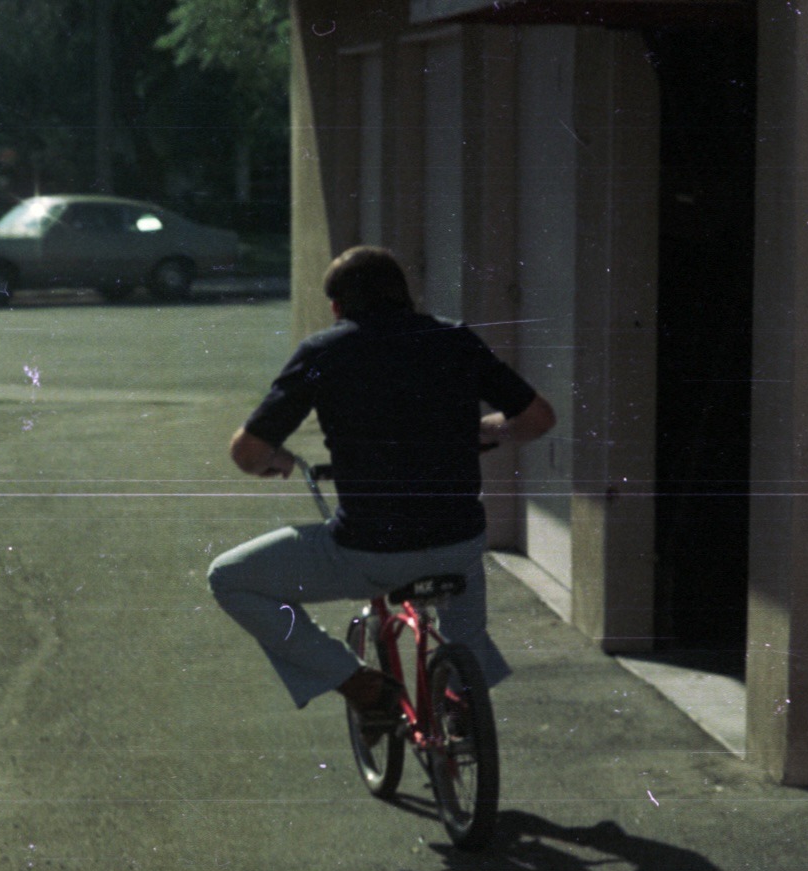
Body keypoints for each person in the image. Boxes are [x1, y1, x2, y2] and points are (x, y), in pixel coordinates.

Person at [207, 245, 556, 734]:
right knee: (464, 613)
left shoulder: (323, 352)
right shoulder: (455, 340)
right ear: (405, 296)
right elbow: (537, 418)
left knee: (229, 577)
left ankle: (357, 683)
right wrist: (485, 428)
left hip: (371, 552)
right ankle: (463, 697)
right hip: (458, 543)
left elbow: (248, 453)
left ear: (336, 307)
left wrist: (277, 458)